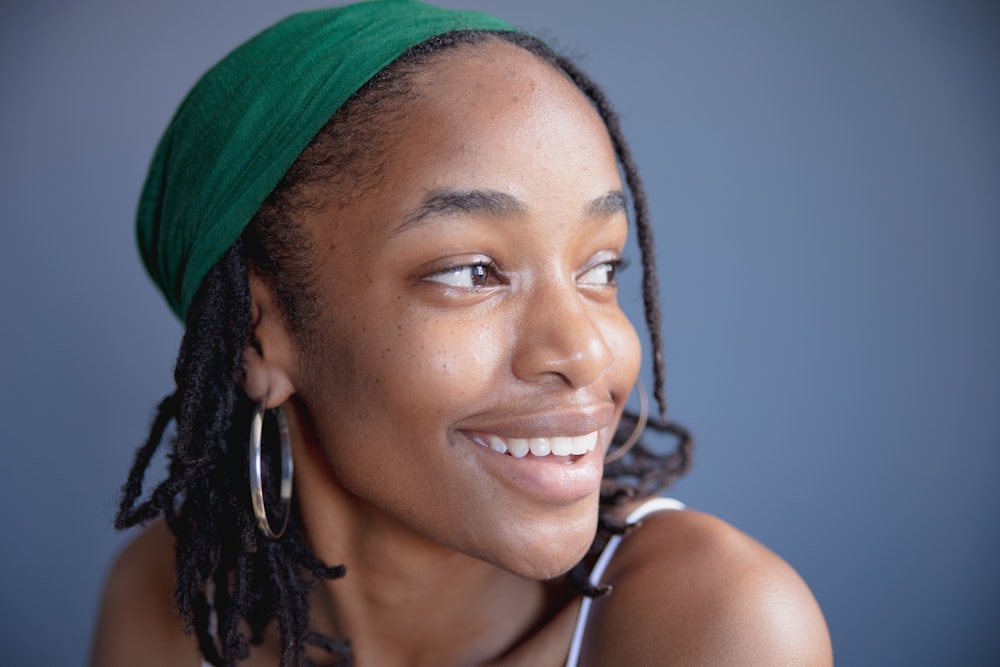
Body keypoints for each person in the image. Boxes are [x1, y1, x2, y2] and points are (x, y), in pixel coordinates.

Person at [90, 2, 832, 665]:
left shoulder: (718, 629)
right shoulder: (172, 609)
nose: (585, 351)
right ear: (258, 335)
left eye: (600, 265)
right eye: (473, 271)